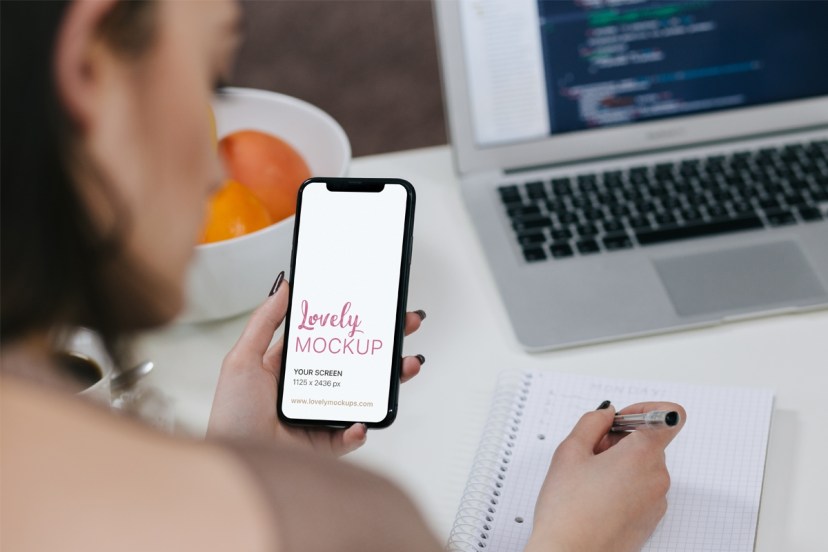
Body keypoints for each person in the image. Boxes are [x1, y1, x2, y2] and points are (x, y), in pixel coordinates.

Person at [0, 1, 686, 551]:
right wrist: (580, 538)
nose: (217, 172)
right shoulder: (337, 528)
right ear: (91, 66)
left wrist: (241, 457)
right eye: (209, 79)